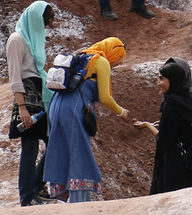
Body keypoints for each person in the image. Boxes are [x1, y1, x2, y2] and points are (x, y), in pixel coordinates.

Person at [44, 37, 130, 203]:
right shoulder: (101, 61)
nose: (118, 63)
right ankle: (80, 202)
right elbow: (105, 98)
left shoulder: (82, 56)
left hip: (56, 107)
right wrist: (121, 111)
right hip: (73, 109)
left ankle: (59, 197)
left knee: (59, 149)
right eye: (119, 58)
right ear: (114, 51)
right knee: (79, 151)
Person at [134, 58, 192, 195]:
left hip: (175, 169)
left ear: (173, 80)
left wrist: (147, 125)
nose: (158, 83)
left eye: (162, 79)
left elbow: (164, 140)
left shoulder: (171, 105)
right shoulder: (190, 101)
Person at [7, 1, 55, 206]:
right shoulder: (16, 40)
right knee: (30, 149)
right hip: (27, 98)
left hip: (41, 97)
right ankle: (27, 196)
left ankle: (36, 185)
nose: (44, 28)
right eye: (44, 23)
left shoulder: (34, 39)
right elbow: (15, 78)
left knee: (53, 144)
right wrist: (22, 108)